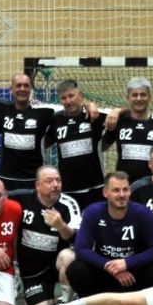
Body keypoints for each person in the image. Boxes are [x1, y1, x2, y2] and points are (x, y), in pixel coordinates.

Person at [67, 172, 153, 296]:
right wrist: (108, 266)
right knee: (76, 269)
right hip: (104, 272)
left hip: (133, 274)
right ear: (105, 193)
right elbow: (81, 249)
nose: (122, 195)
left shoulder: (143, 213)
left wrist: (127, 263)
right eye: (116, 190)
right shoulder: (92, 212)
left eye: (125, 190)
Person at [9, 166, 81, 305]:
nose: (55, 185)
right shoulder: (23, 198)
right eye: (49, 181)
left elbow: (76, 239)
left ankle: (66, 302)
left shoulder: (68, 204)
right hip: (32, 275)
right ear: (37, 185)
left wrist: (60, 225)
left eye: (58, 180)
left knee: (68, 256)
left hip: (56, 267)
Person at [43, 80, 111, 209]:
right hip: (68, 190)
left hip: (96, 188)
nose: (68, 101)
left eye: (71, 96)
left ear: (80, 95)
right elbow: (44, 142)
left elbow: (122, 116)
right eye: (63, 98)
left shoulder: (95, 116)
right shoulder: (56, 120)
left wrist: (116, 112)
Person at [101, 77, 153, 184]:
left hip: (152, 187)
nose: (139, 98)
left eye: (143, 95)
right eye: (134, 95)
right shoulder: (119, 122)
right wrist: (107, 130)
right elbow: (102, 147)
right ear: (128, 98)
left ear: (150, 97)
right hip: (124, 187)